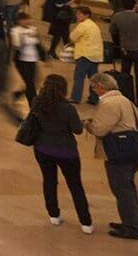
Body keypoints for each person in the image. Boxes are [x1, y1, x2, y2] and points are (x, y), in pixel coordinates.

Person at [17, 74, 94, 233]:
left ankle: (53, 214)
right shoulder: (67, 108)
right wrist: (83, 122)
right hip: (66, 152)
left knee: (49, 181)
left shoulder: (37, 102)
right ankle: (85, 222)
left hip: (42, 149)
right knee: (75, 185)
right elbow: (77, 130)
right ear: (63, 89)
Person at [86, 72, 138, 240]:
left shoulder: (109, 103)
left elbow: (100, 129)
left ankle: (133, 228)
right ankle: (129, 222)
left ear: (101, 86)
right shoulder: (125, 100)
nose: (93, 91)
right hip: (132, 150)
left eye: (93, 87)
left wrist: (89, 125)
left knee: (122, 190)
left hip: (119, 152)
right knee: (128, 189)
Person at [110, 0, 138, 107]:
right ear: (134, 5)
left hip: (125, 50)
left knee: (125, 75)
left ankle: (126, 98)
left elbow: (112, 30)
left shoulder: (117, 16)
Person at [69, 6, 104, 104]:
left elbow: (72, 37)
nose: (77, 16)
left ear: (87, 15)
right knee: (93, 79)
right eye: (77, 13)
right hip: (95, 55)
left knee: (79, 77)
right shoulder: (94, 25)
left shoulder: (83, 25)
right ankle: (94, 98)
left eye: (80, 14)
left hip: (85, 55)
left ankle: (75, 98)